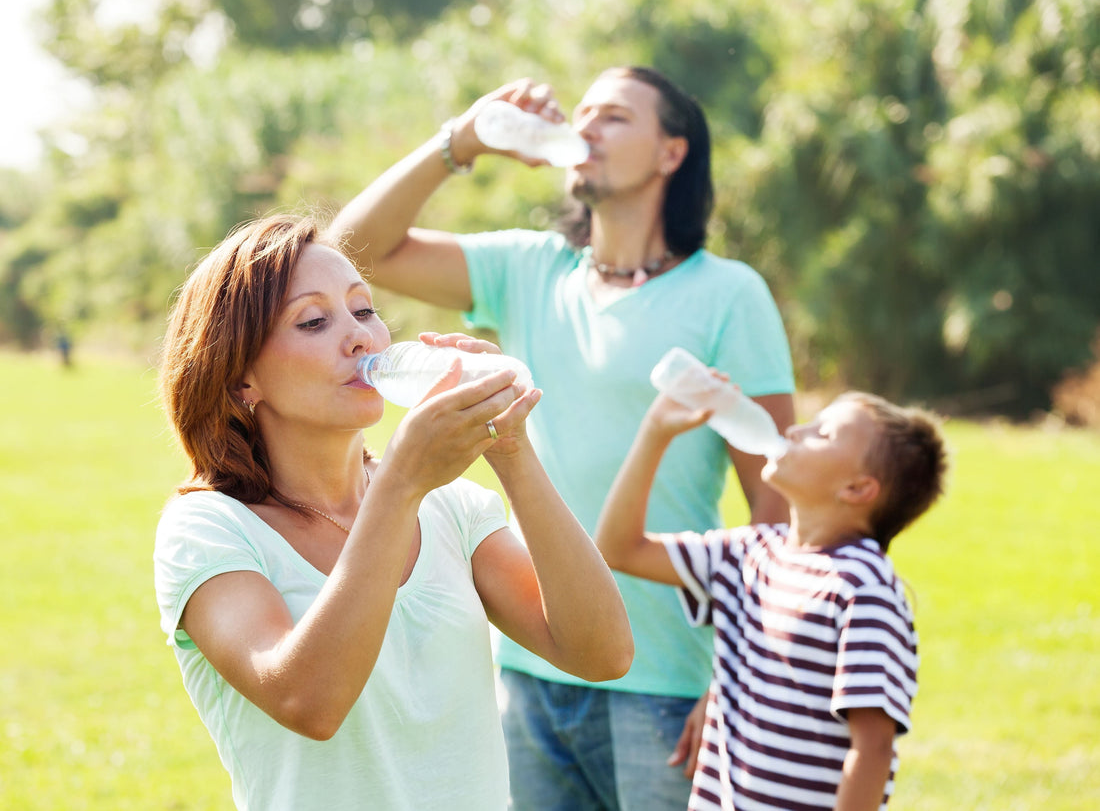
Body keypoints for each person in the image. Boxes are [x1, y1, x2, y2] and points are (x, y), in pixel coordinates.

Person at [326, 66, 797, 809]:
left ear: (671, 153)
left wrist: (741, 685)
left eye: (612, 117)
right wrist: (460, 141)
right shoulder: (527, 269)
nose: (586, 130)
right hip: (530, 661)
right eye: (581, 115)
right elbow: (344, 254)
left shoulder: (729, 294)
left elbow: (782, 510)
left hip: (671, 683)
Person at [152, 214, 633, 811]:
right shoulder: (208, 530)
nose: (361, 339)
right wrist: (400, 484)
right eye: (314, 321)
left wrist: (510, 450)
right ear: (240, 379)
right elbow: (311, 701)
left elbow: (601, 652)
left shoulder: (450, 507)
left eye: (364, 310)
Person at [595, 387, 948, 811]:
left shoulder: (863, 588)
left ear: (857, 488)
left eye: (824, 434)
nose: (797, 431)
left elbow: (872, 748)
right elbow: (619, 548)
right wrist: (656, 432)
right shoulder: (747, 554)